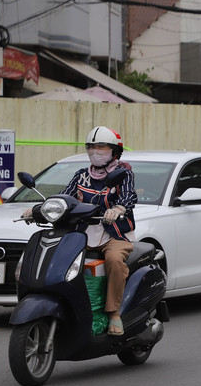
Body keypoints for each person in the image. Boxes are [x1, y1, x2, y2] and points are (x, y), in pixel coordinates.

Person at [27, 126, 136, 336]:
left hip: (114, 234)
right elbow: (63, 198)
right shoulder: (81, 176)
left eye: (101, 146)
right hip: (82, 234)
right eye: (91, 147)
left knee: (114, 260)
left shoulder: (123, 174)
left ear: (114, 151)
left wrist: (118, 209)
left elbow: (129, 197)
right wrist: (38, 210)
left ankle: (114, 313)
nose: (95, 151)